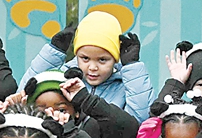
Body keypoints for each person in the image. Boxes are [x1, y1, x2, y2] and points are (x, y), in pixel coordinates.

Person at [19, 11, 154, 120]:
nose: (92, 67)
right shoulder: (64, 79)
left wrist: (132, 67)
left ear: (115, 59)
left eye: (102, 60)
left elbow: (140, 119)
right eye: (85, 58)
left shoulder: (125, 86)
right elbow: (23, 96)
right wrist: (52, 53)